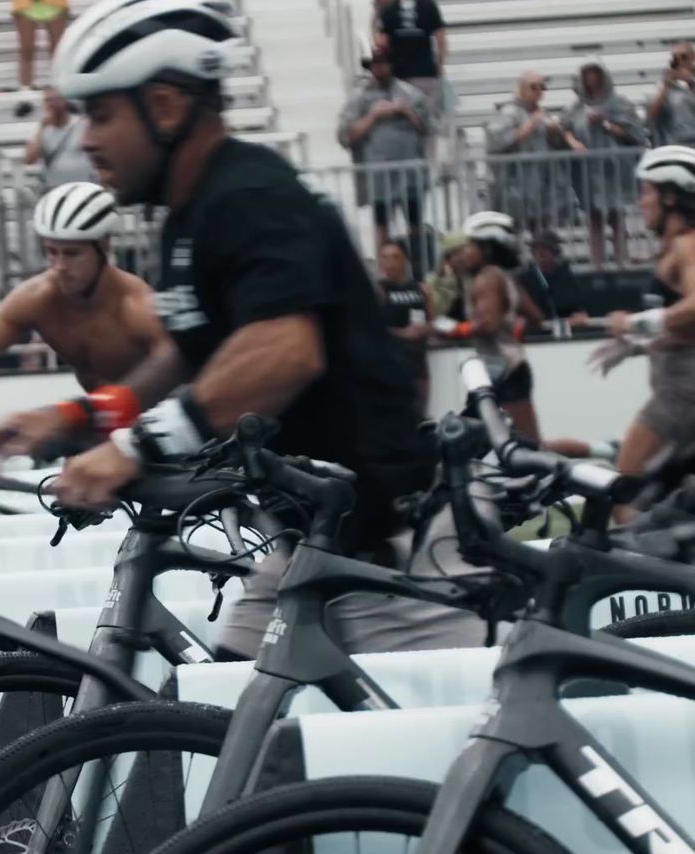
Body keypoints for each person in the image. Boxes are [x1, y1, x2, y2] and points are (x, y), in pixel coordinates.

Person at [37, 0, 483, 658]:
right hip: (312, 534)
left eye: (100, 114)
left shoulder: (249, 197)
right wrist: (77, 415)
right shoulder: (187, 216)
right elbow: (185, 359)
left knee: (436, 754)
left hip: (393, 550)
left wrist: (131, 449)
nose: (86, 140)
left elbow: (281, 353)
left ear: (164, 106)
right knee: (224, 728)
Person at [0, 182, 164, 452]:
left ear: (104, 246)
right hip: (99, 428)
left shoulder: (138, 306)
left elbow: (181, 376)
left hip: (160, 432)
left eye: (72, 253)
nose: (59, 266)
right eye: (52, 251)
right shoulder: (38, 297)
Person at [584, 146, 695, 519]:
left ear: (671, 195)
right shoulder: (673, 250)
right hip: (678, 390)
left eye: (647, 191)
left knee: (621, 491)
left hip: (682, 396)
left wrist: (635, 324)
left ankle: (642, 575)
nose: (640, 201)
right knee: (668, 503)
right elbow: (682, 327)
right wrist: (633, 344)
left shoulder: (686, 246)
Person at [435, 211, 543, 441]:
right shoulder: (504, 277)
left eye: (470, 247)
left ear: (487, 248)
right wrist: (513, 328)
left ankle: (601, 450)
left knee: (528, 447)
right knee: (484, 442)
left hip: (503, 372)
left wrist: (454, 330)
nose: (464, 254)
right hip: (502, 370)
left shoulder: (486, 279)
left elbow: (488, 325)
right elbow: (535, 317)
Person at [338, 50, 430, 271]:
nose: (379, 69)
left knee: (415, 224)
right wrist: (374, 116)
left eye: (384, 64)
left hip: (410, 174)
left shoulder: (411, 94)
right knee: (381, 225)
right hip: (379, 176)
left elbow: (427, 127)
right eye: (375, 65)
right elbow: (346, 135)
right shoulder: (359, 99)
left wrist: (405, 112)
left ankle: (419, 269)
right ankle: (384, 272)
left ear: (391, 65)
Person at [562, 58, 646, 268]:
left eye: (594, 73)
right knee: (594, 218)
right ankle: (596, 263)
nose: (590, 78)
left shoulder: (620, 104)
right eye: (586, 74)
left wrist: (605, 123)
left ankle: (621, 260)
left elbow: (634, 134)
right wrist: (574, 142)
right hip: (588, 172)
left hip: (613, 169)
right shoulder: (576, 107)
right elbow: (565, 128)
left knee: (617, 215)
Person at [487, 73, 574, 235]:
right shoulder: (509, 112)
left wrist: (553, 133)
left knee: (541, 227)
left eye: (542, 87)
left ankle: (540, 258)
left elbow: (554, 145)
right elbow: (497, 141)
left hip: (541, 182)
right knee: (512, 227)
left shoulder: (542, 113)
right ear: (522, 88)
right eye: (534, 87)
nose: (539, 91)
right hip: (515, 181)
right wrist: (529, 125)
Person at [376, 238, 433, 409]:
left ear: (405, 260)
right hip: (390, 362)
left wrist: (425, 329)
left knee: (420, 415)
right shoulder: (377, 290)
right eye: (385, 258)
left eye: (395, 257)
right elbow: (371, 329)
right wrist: (403, 333)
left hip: (417, 364)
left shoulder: (422, 289)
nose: (390, 263)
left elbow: (433, 322)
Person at [373, 0, 446, 120]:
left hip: (399, 77)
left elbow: (381, 44)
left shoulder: (389, 10)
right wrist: (440, 66)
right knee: (426, 120)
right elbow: (441, 40)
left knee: (402, 120)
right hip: (426, 75)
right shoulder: (429, 6)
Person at [24, 87, 97, 188]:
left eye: (55, 99)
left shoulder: (82, 124)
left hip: (82, 187)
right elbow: (29, 159)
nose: (52, 103)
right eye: (47, 100)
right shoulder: (41, 129)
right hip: (54, 188)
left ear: (65, 101)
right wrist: (42, 127)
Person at [516, 229, 585, 325]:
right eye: (536, 248)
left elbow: (577, 307)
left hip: (565, 329)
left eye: (545, 248)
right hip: (535, 332)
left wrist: (578, 315)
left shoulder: (566, 276)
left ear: (555, 252)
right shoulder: (524, 279)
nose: (540, 252)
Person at [12, 0, 68, 90]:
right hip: (25, 5)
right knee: (26, 49)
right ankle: (25, 88)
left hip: (55, 4)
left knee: (58, 49)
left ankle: (59, 85)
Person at [650, 42, 695, 149]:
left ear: (692, 57)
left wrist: (690, 82)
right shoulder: (665, 85)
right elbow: (652, 115)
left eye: (683, 57)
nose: (679, 61)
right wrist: (665, 87)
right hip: (675, 145)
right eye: (675, 57)